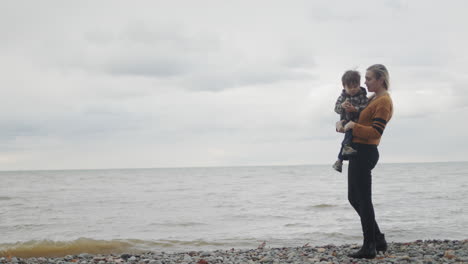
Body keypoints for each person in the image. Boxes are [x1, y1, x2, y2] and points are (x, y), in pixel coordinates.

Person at [340, 64, 393, 259]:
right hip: (357, 150)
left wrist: (355, 125)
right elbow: (357, 122)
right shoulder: (372, 99)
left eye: (369, 78)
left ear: (380, 80)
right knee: (354, 198)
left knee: (363, 199)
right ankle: (377, 239)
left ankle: (369, 245)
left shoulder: (384, 101)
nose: (365, 82)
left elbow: (376, 131)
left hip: (366, 151)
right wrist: (343, 124)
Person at [333, 70, 369, 173]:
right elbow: (336, 109)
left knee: (347, 140)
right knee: (348, 138)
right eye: (350, 87)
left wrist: (355, 109)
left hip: (357, 122)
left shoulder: (362, 96)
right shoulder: (342, 97)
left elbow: (366, 108)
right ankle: (341, 157)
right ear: (344, 86)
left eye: (355, 86)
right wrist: (342, 106)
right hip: (345, 121)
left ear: (359, 84)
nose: (353, 89)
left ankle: (339, 160)